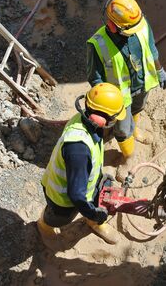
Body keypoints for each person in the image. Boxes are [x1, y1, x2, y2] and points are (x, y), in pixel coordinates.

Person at [37, 83, 126, 245]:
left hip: (83, 185)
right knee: (58, 218)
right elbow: (77, 195)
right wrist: (93, 214)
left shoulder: (85, 120)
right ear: (102, 118)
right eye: (114, 117)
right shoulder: (79, 149)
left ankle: (93, 224)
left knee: (96, 197)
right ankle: (43, 224)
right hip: (62, 199)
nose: (114, 121)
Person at [86, 0, 166, 159]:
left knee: (138, 108)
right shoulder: (97, 44)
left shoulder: (140, 24)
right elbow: (95, 79)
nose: (133, 34)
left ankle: (135, 130)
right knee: (123, 129)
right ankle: (127, 155)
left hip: (142, 84)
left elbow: (152, 50)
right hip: (119, 98)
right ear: (112, 25)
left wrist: (160, 70)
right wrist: (105, 109)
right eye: (128, 32)